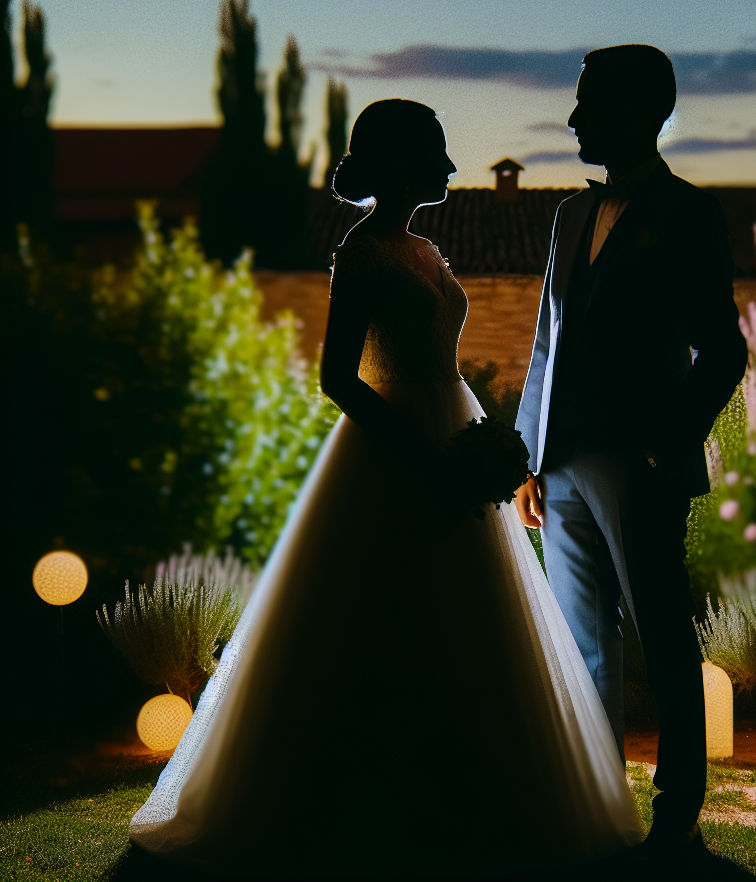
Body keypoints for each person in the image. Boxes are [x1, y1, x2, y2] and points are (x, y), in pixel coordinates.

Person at [122, 99, 642, 881]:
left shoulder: (425, 248)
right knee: (373, 620)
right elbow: (338, 378)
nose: (447, 168)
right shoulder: (362, 253)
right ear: (401, 163)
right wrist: (424, 458)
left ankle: (465, 799)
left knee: (463, 625)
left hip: (450, 425)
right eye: (435, 154)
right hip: (389, 450)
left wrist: (478, 441)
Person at [513, 46, 749, 868]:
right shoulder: (568, 218)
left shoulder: (689, 213)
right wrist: (527, 457)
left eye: (588, 104)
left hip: (640, 466)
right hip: (561, 463)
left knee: (663, 642)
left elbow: (724, 350)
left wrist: (667, 445)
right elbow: (547, 343)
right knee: (583, 643)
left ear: (640, 112)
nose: (573, 120)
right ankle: (597, 801)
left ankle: (677, 812)